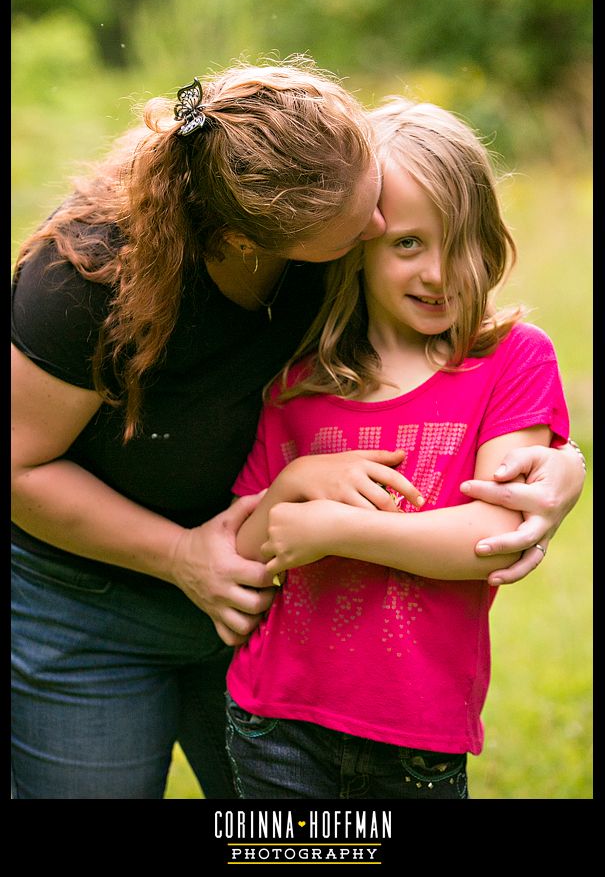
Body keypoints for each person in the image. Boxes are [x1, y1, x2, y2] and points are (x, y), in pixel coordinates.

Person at [11, 59, 584, 801]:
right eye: (369, 224)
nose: (378, 225)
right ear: (263, 240)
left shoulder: (337, 221)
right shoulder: (81, 280)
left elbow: (478, 375)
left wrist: (561, 465)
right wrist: (197, 549)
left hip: (269, 611)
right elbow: (20, 467)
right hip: (91, 604)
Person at [225, 97, 579, 800]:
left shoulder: (509, 361)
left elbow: (492, 535)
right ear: (355, 250)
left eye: (460, 240)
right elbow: (248, 547)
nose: (439, 273)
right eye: (407, 245)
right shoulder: (300, 386)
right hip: (276, 723)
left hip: (419, 734)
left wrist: (337, 527)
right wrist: (295, 485)